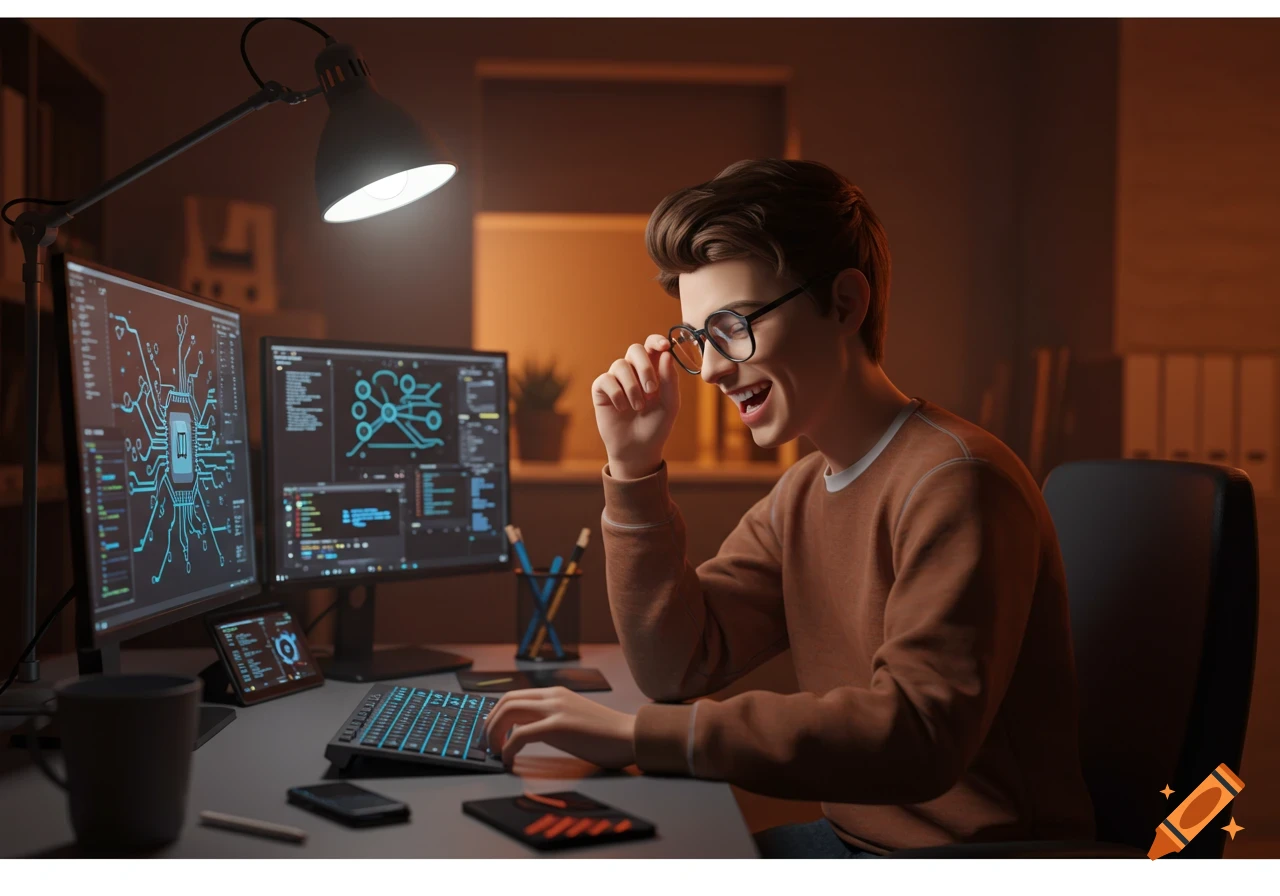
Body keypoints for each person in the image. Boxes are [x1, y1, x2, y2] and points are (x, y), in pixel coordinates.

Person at [484, 159, 1095, 857]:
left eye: (733, 327)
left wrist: (634, 737)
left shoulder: (959, 480)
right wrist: (633, 467)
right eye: (698, 341)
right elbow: (676, 664)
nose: (712, 369)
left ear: (844, 302)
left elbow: (919, 738)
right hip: (856, 845)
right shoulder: (804, 493)